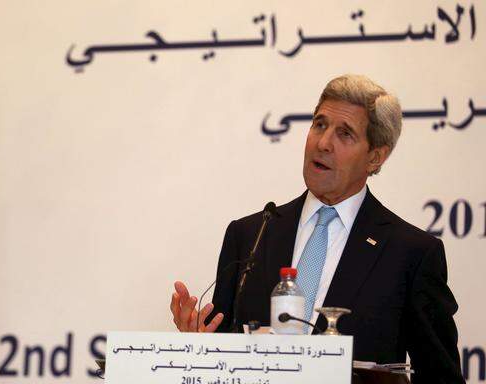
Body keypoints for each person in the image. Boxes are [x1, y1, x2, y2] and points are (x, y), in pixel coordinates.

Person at [169, 74, 464, 383]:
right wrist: (199, 344)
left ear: (375, 156)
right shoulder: (250, 235)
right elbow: (225, 355)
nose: (323, 143)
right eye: (319, 125)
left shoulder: (411, 254)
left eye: (345, 134)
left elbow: (441, 377)